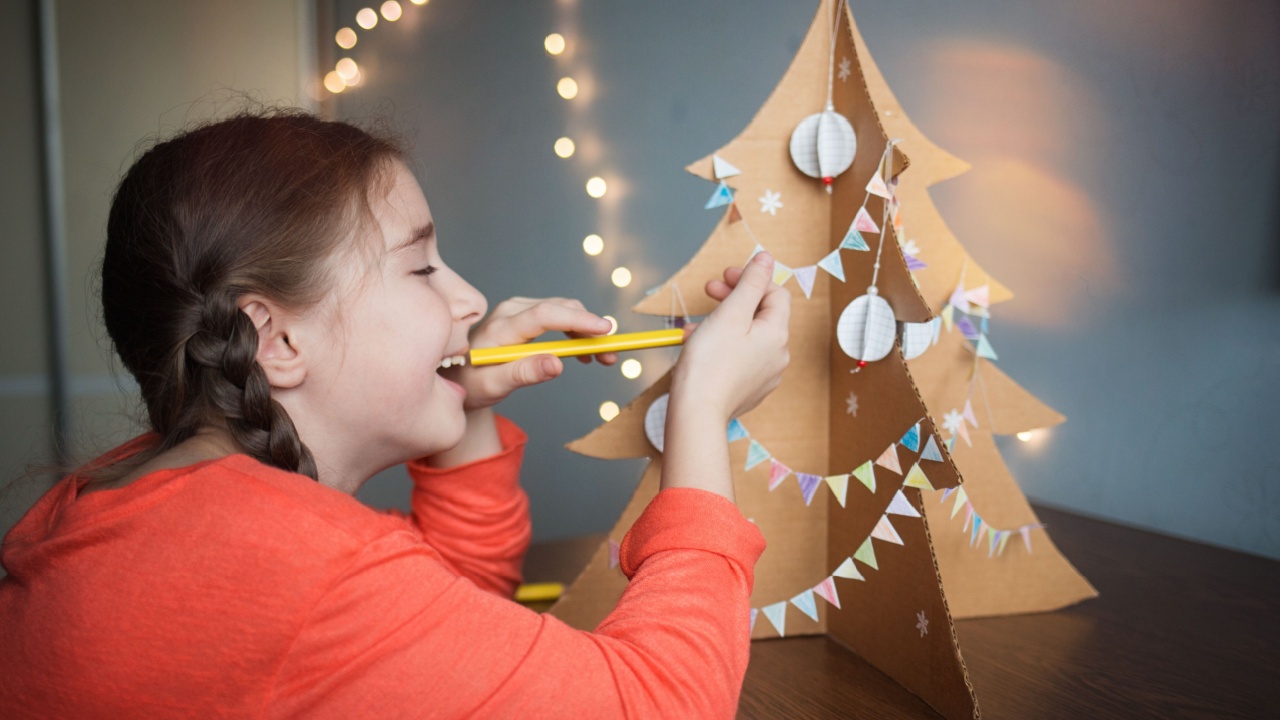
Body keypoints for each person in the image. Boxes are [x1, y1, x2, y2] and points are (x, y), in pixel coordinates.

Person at [0, 110, 790, 718]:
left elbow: (443, 631)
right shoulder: (287, 563)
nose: (471, 300)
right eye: (420, 266)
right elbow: (661, 706)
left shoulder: (119, 501)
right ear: (274, 340)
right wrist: (702, 413)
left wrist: (463, 407)